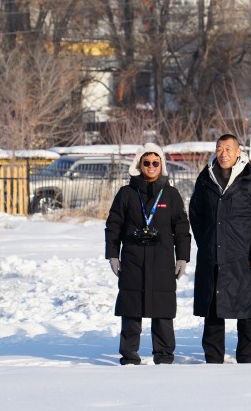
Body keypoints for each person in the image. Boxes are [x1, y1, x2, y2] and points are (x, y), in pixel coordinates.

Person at [189, 134, 251, 364]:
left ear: (239, 152)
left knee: (245, 311)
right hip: (212, 256)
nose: (224, 153)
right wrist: (205, 241)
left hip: (243, 258)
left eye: (229, 149)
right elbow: (195, 213)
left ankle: (246, 359)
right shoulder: (205, 178)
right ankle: (213, 359)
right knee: (213, 310)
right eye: (219, 148)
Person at [104, 143, 191, 365]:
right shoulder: (126, 193)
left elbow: (181, 228)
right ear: (138, 165)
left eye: (155, 162)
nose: (151, 166)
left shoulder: (171, 194)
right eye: (146, 162)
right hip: (133, 261)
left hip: (162, 261)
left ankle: (164, 356)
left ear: (161, 165)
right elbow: (113, 225)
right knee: (131, 310)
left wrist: (182, 257)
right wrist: (113, 255)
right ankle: (129, 356)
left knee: (162, 311)